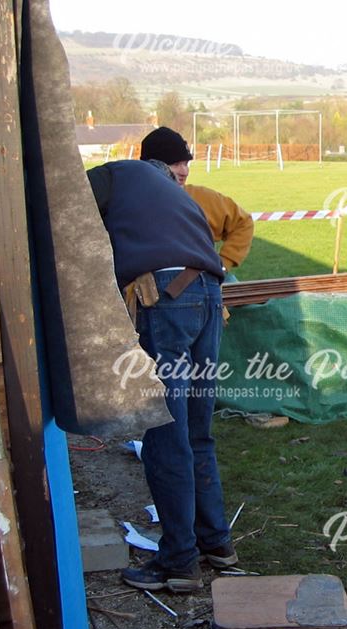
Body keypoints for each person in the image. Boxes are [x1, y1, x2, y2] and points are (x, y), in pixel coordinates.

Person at [87, 158, 237, 592]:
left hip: (169, 297)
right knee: (195, 432)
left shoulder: (111, 176)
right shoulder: (169, 189)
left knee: (164, 433)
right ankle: (216, 544)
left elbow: (73, 225)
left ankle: (177, 561)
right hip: (209, 295)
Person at [140, 126, 254, 279]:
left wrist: (223, 264)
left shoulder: (201, 198)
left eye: (186, 163)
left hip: (202, 291)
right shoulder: (128, 201)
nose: (184, 171)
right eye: (175, 164)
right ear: (152, 166)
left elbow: (243, 223)